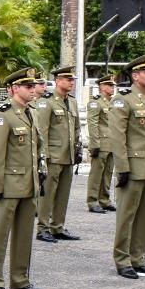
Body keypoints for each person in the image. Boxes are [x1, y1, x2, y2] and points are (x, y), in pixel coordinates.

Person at [0, 68, 45, 289]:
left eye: (33, 86)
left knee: (24, 235)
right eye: (27, 86)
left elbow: (36, 150)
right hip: (8, 185)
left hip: (29, 184)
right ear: (14, 88)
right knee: (0, 235)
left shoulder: (32, 113)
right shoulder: (3, 115)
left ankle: (20, 279)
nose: (32, 90)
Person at [111, 55, 145, 279]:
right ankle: (122, 259)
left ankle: (139, 257)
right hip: (133, 167)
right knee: (127, 216)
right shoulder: (123, 100)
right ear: (135, 75)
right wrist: (122, 168)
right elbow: (117, 137)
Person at [34, 65, 80, 242]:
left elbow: (76, 128)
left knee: (63, 193)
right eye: (68, 80)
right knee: (48, 193)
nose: (71, 83)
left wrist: (77, 148)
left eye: (72, 80)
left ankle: (57, 226)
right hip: (53, 156)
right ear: (58, 81)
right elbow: (42, 131)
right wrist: (43, 157)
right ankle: (43, 227)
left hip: (68, 155)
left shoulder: (72, 101)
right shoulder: (47, 102)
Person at [85, 74, 117, 212]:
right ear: (102, 87)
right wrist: (95, 144)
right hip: (101, 143)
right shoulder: (95, 102)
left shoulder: (112, 102)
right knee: (96, 174)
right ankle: (92, 201)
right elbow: (92, 124)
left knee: (108, 173)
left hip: (112, 143)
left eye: (113, 85)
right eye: (110, 85)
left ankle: (104, 199)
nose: (113, 88)